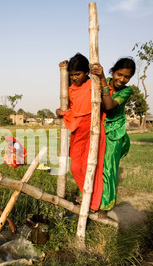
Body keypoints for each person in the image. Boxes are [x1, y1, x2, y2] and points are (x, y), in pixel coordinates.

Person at [55, 53, 106, 212]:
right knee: (76, 167)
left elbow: (104, 99)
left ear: (87, 73)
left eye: (78, 74)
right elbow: (68, 108)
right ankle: (86, 193)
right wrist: (59, 111)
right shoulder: (69, 90)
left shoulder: (93, 84)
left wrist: (102, 80)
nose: (75, 78)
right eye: (72, 75)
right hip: (77, 130)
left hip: (93, 127)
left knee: (91, 166)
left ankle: (93, 202)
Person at [91, 58, 136, 213]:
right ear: (113, 71)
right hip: (96, 129)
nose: (122, 79)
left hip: (113, 133)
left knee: (108, 169)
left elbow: (109, 106)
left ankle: (105, 206)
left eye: (126, 77)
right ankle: (91, 199)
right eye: (119, 74)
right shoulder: (100, 80)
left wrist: (103, 80)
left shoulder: (126, 91)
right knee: (92, 166)